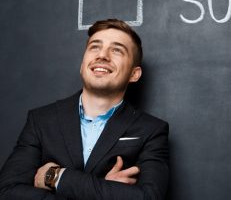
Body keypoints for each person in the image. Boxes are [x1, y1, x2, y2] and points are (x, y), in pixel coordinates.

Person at [0, 19, 169, 200]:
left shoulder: (151, 130)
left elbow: (149, 197)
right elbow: (8, 192)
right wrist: (104, 190)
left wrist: (57, 177)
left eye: (117, 50)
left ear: (134, 74)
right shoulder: (41, 120)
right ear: (83, 65)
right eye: (95, 47)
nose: (102, 55)